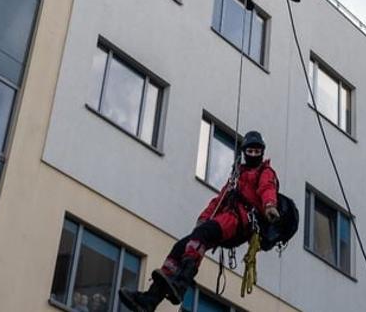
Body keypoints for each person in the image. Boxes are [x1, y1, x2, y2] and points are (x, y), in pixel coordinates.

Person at [120, 132, 284, 310]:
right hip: (225, 218)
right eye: (250, 151)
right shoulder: (237, 175)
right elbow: (219, 200)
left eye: (256, 151)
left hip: (240, 221)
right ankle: (150, 299)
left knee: (201, 235)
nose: (253, 155)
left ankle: (182, 281)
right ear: (244, 152)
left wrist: (269, 206)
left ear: (262, 152)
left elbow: (267, 188)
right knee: (181, 246)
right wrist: (204, 219)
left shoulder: (265, 172)